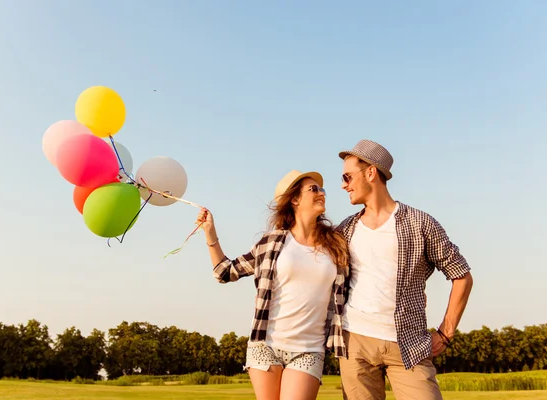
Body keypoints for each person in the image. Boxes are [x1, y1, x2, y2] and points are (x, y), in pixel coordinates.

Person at [335, 139, 474, 400]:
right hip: (355, 343)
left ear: (371, 172)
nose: (344, 185)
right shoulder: (345, 229)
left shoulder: (420, 223)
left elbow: (462, 276)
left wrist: (445, 333)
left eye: (347, 176)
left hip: (409, 343)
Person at [196, 170, 349, 400]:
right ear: (294, 199)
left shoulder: (336, 244)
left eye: (322, 189)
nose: (322, 193)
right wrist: (210, 233)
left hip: (310, 349)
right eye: (313, 189)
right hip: (266, 346)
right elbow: (224, 272)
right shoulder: (272, 242)